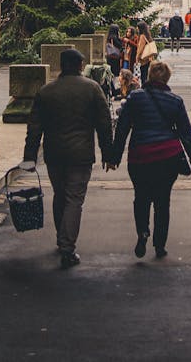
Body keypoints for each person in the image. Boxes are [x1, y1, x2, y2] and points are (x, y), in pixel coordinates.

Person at [21, 48, 113, 269]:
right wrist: (108, 153)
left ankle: (61, 236)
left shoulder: (46, 91)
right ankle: (67, 247)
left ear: (61, 65)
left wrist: (30, 156)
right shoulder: (92, 88)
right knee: (74, 199)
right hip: (81, 154)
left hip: (54, 154)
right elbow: (104, 124)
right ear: (80, 65)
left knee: (60, 195)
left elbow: (34, 127)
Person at [111, 59, 191, 259]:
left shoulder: (135, 97)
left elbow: (122, 128)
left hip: (140, 156)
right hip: (167, 157)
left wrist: (114, 156)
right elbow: (186, 132)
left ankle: (142, 232)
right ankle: (160, 245)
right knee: (162, 201)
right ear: (167, 78)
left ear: (149, 76)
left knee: (141, 197)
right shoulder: (175, 101)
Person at [135, 20, 157, 86]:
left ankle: (144, 88)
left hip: (144, 59)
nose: (136, 28)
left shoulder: (142, 36)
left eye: (137, 27)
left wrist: (137, 57)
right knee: (146, 74)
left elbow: (140, 48)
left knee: (143, 75)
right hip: (149, 58)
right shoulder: (147, 35)